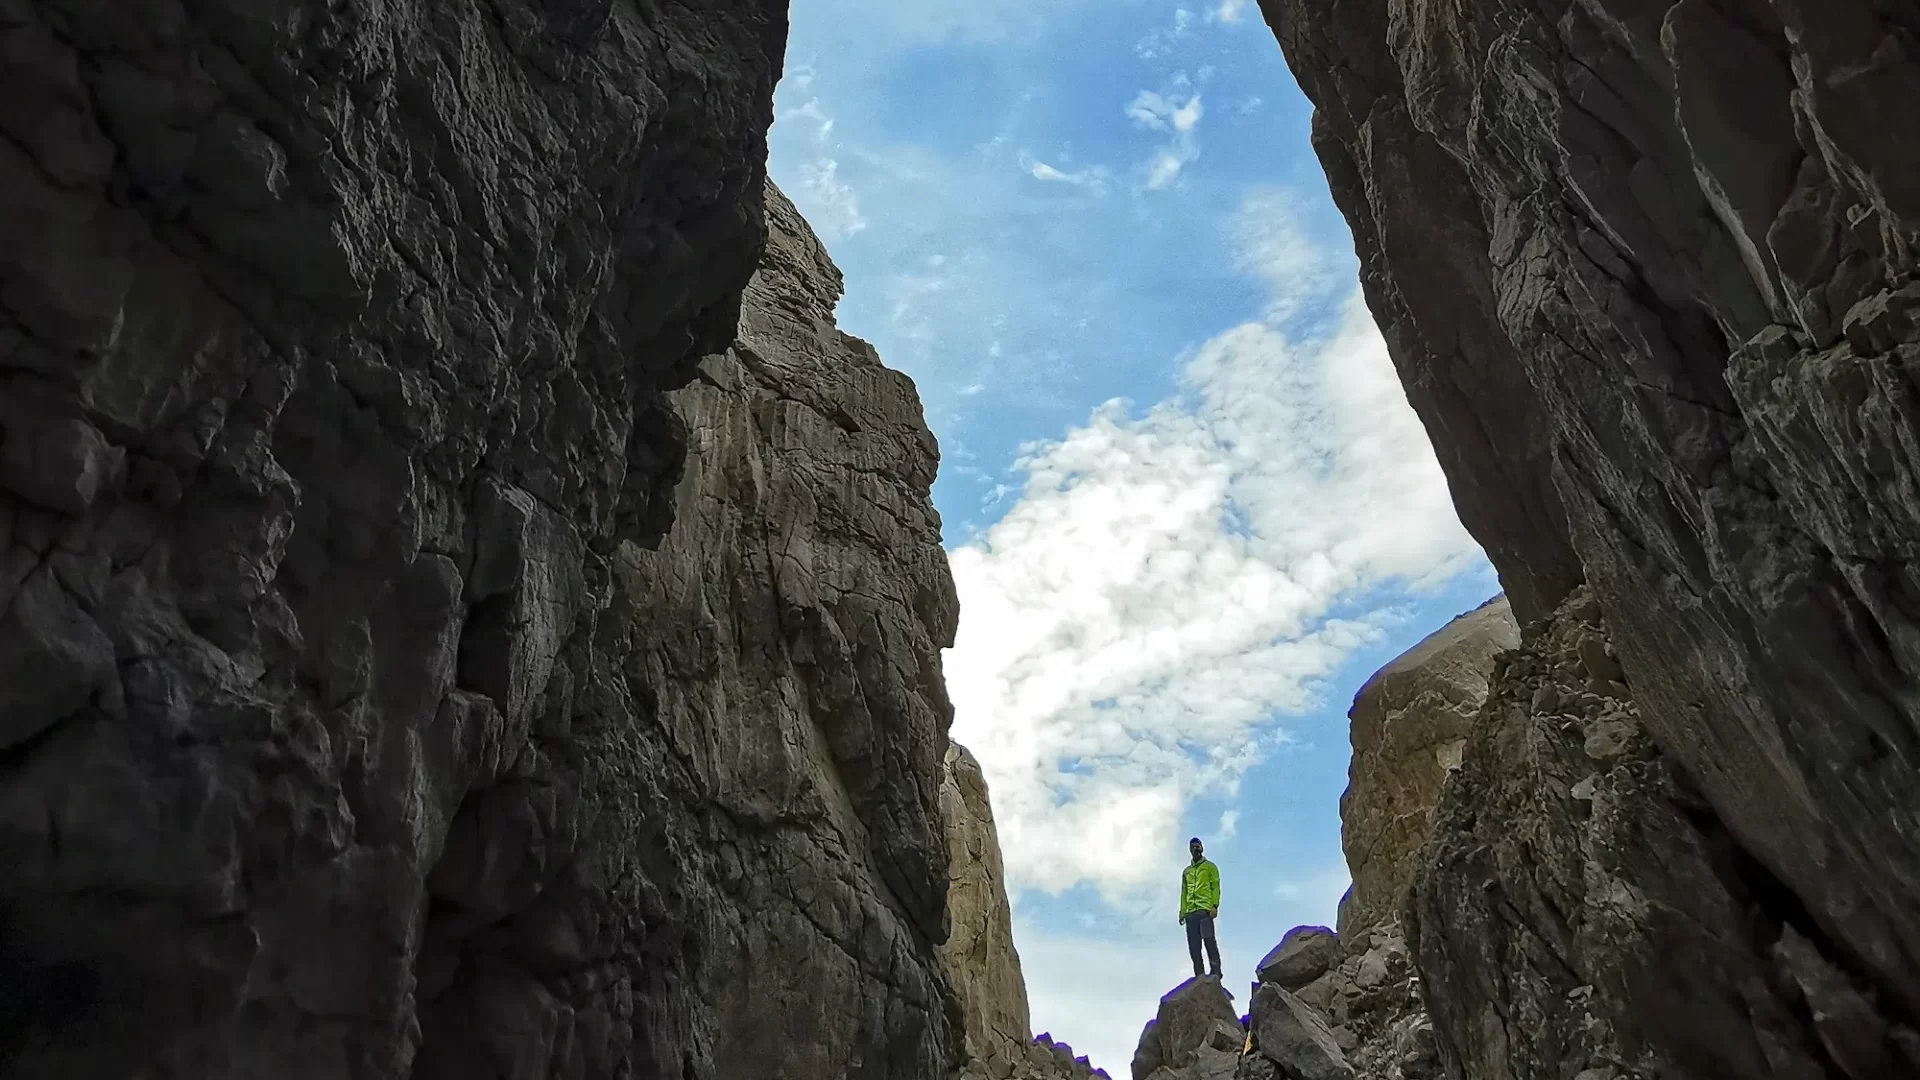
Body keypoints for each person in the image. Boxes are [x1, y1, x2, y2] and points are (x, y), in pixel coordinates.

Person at [1178, 836, 1222, 980]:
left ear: (1202, 848)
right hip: (1190, 913)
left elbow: (1215, 887)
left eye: (1197, 846)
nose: (1195, 849)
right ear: (1190, 851)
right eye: (1192, 847)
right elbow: (1184, 893)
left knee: (1209, 942)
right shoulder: (1187, 872)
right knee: (1194, 947)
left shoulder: (1210, 867)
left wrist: (1214, 906)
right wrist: (1182, 912)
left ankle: (1216, 972)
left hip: (1205, 911)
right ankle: (1199, 976)